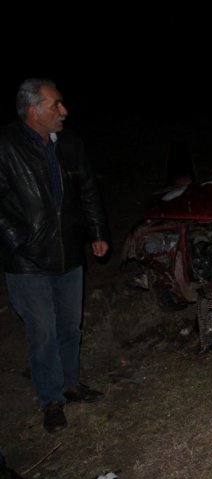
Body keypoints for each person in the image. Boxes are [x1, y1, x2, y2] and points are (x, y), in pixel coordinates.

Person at [0, 78, 110, 433]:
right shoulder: (6, 144)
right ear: (34, 111)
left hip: (68, 253)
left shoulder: (70, 144)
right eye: (55, 105)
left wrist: (96, 232)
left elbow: (88, 190)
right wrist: (21, 240)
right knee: (43, 331)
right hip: (28, 261)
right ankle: (51, 399)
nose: (64, 111)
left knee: (69, 325)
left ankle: (70, 384)